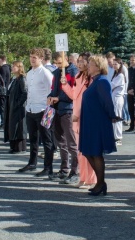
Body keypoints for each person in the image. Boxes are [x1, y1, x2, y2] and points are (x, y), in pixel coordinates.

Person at [80, 55, 120, 196]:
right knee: (88, 151)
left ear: (98, 66)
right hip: (90, 121)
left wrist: (112, 116)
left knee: (95, 152)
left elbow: (107, 102)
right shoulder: (95, 81)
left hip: (98, 122)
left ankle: (100, 183)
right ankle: (101, 183)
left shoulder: (102, 81)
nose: (88, 66)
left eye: (90, 64)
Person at [61, 52, 97, 188]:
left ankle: (92, 179)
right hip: (76, 117)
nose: (79, 63)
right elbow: (74, 95)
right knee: (80, 151)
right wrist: (65, 85)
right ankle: (83, 177)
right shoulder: (78, 76)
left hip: (87, 117)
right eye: (79, 61)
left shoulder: (93, 78)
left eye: (82, 61)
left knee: (89, 150)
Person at [19, 48, 54, 176]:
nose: (32, 59)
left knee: (47, 140)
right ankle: (32, 163)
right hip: (31, 109)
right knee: (33, 138)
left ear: (41, 59)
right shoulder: (29, 73)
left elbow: (52, 90)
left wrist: (49, 109)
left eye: (35, 57)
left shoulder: (45, 73)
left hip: (44, 109)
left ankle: (48, 167)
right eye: (31, 56)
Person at [47, 52, 79, 182]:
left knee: (71, 142)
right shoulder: (56, 73)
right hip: (57, 110)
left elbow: (73, 92)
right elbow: (54, 89)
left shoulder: (72, 72)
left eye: (60, 62)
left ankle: (75, 171)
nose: (58, 65)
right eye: (56, 63)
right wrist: (50, 96)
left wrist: (59, 98)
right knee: (61, 142)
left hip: (68, 110)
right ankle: (64, 168)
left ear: (66, 59)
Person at [5, 61, 27, 153]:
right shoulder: (14, 79)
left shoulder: (22, 79)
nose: (12, 68)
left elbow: (24, 92)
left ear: (19, 68)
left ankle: (19, 147)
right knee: (12, 126)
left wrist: (18, 103)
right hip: (12, 105)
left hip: (19, 107)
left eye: (14, 66)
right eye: (12, 66)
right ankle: (13, 146)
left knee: (19, 127)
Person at [110, 58, 126, 145]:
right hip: (114, 98)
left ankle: (118, 137)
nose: (114, 65)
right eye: (113, 64)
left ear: (120, 65)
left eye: (116, 64)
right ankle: (115, 136)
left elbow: (112, 85)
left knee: (117, 117)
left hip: (118, 98)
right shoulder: (115, 74)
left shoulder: (120, 75)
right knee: (114, 118)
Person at [125, 54, 135, 133]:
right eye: (130, 60)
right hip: (129, 92)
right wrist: (128, 90)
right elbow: (127, 81)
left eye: (133, 60)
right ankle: (132, 126)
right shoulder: (129, 70)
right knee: (130, 109)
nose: (131, 62)